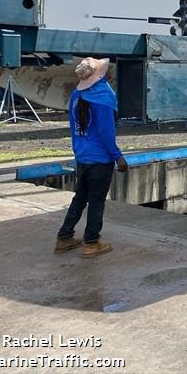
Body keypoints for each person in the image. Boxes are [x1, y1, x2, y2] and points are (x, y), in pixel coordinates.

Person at [55, 57, 127, 257]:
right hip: (100, 159)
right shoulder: (103, 98)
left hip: (83, 157)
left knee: (80, 197)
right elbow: (106, 133)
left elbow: (74, 127)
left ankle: (64, 237)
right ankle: (92, 243)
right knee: (96, 201)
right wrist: (118, 156)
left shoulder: (76, 96)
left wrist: (78, 150)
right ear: (100, 75)